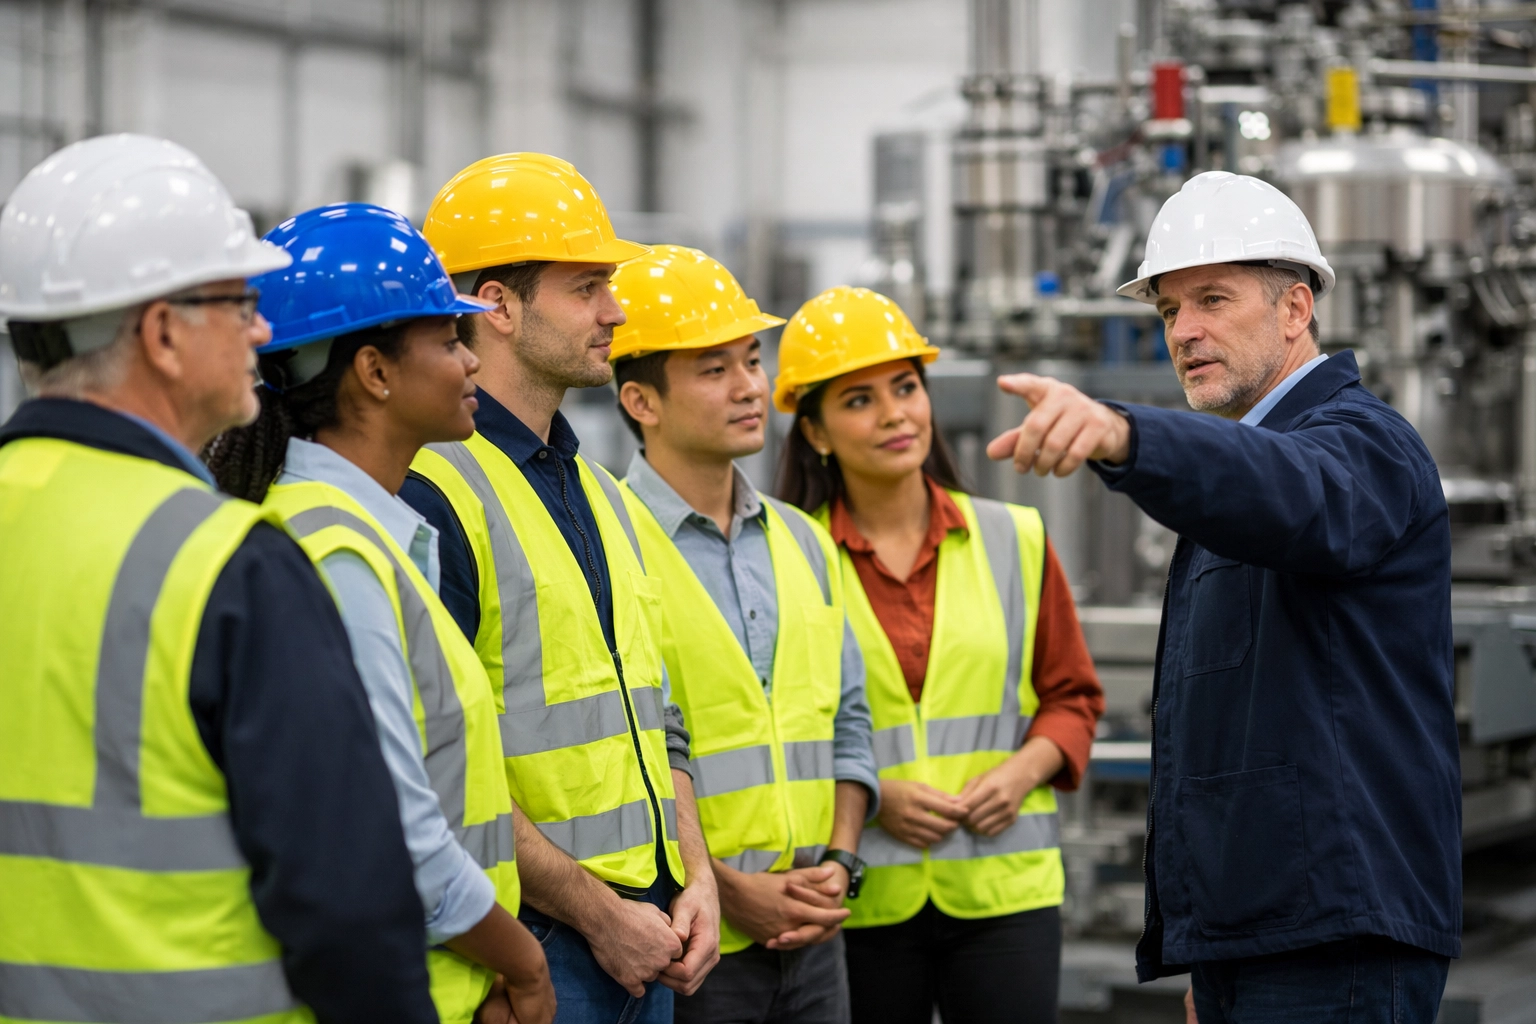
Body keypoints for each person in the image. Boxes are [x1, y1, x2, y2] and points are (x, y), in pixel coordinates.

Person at [986, 171, 1461, 1024]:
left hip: (1335, 941)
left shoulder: (1364, 446)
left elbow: (1292, 490)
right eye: (1169, 311)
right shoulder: (1236, 472)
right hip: (1257, 936)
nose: (1186, 331)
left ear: (1295, 309)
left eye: (1212, 298)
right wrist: (1207, 946)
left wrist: (1129, 436)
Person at [0, 135, 436, 1023]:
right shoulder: (228, 565)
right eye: (238, 302)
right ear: (162, 334)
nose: (263, 331)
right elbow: (349, 904)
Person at [203, 203, 556, 1024]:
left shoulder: (354, 529)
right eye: (448, 341)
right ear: (375, 371)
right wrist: (524, 960)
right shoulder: (336, 553)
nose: (472, 362)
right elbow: (398, 831)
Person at [399, 153, 720, 1024]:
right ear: (497, 306)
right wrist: (596, 913)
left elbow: (658, 718)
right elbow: (432, 767)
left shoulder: (602, 494)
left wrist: (696, 881)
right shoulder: (432, 493)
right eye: (587, 288)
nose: (617, 311)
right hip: (537, 947)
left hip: (652, 932)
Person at [772, 285, 1105, 1024]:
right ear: (817, 431)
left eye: (905, 387)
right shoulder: (790, 559)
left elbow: (1072, 697)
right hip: (863, 896)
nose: (895, 413)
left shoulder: (1013, 537)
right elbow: (774, 731)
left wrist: (1022, 772)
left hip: (1005, 894)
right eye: (858, 400)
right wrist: (875, 796)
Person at [608, 246, 882, 1023]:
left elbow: (849, 722)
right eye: (713, 368)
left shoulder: (803, 540)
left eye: (752, 360)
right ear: (641, 400)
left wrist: (841, 860)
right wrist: (729, 892)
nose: (750, 388)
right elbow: (629, 751)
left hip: (816, 939)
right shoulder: (607, 541)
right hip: (691, 945)